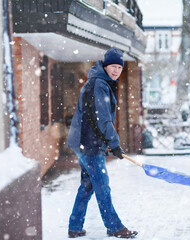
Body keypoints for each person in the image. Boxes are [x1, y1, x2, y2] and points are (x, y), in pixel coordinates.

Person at [66, 48, 138, 239]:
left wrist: (107, 141)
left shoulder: (99, 81)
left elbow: (96, 118)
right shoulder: (99, 85)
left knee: (88, 185)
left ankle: (74, 226)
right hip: (89, 145)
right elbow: (102, 118)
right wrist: (114, 143)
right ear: (105, 66)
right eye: (113, 66)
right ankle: (114, 226)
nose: (116, 71)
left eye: (119, 67)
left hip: (84, 142)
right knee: (102, 186)